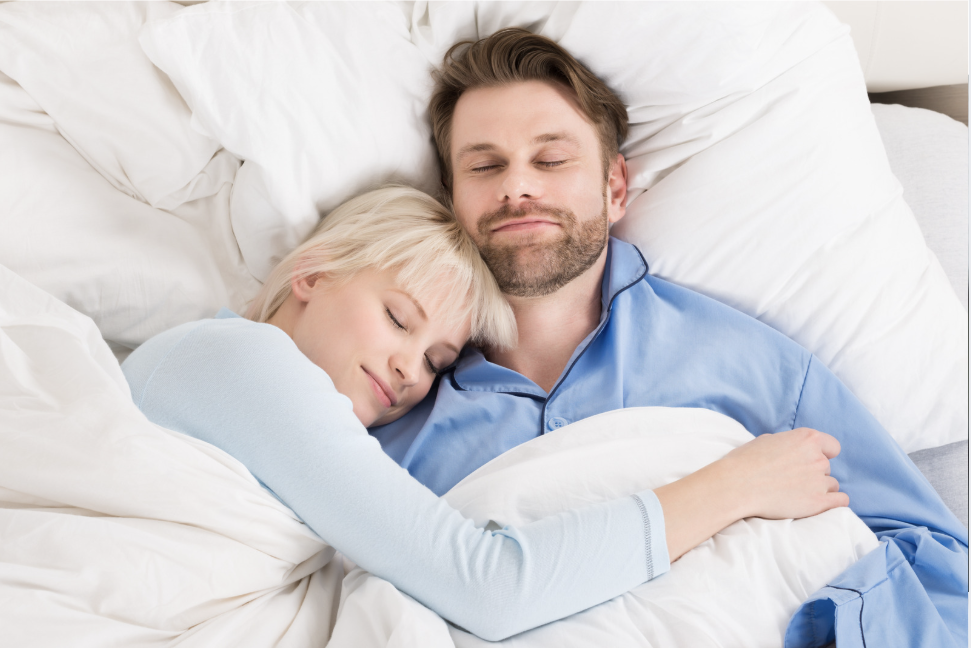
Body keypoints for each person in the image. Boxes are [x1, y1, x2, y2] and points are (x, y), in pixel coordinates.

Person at [369, 29, 969, 646]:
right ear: (451, 200)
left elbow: (938, 560)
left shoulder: (746, 363)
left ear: (614, 189)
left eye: (551, 160)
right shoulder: (394, 413)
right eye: (485, 166)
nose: (517, 186)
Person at [121, 186, 848, 641]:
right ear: (313, 273)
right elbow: (488, 584)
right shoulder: (236, 359)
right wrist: (735, 486)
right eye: (397, 318)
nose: (410, 372)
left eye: (437, 361)